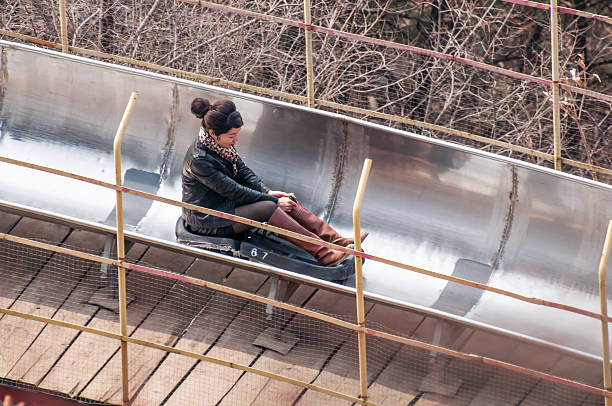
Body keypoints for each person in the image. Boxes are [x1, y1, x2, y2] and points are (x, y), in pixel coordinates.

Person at [182, 98, 367, 267]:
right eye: (232, 136)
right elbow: (233, 191)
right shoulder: (200, 160)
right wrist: (274, 202)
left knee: (286, 201)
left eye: (236, 135)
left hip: (227, 206)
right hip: (208, 219)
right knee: (269, 207)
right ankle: (323, 253)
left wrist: (269, 192)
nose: (236, 140)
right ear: (213, 133)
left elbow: (244, 172)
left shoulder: (220, 145)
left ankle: (335, 241)